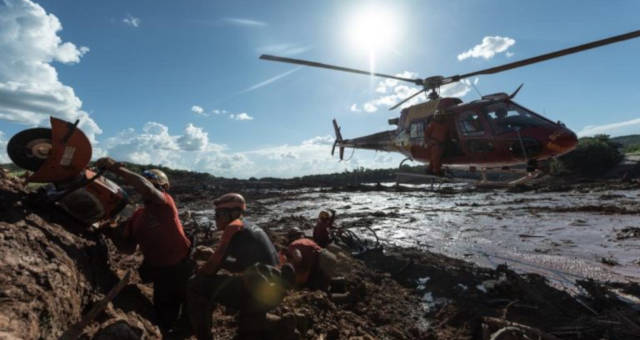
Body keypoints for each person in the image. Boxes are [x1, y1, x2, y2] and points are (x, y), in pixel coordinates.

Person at [95, 157, 192, 335]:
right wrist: (109, 231)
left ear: (163, 189)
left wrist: (116, 168)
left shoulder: (166, 204)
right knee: (165, 319)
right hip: (162, 273)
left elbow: (145, 186)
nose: (150, 190)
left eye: (157, 186)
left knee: (191, 318)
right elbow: (128, 249)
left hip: (183, 269)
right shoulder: (138, 216)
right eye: (151, 185)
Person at [187, 193, 282, 340]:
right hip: (272, 290)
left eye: (218, 214)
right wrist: (218, 258)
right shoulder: (248, 226)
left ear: (232, 214)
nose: (216, 218)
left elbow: (211, 268)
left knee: (195, 285)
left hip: (257, 293)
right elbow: (241, 264)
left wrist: (202, 270)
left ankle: (203, 336)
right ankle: (258, 322)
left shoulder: (232, 228)